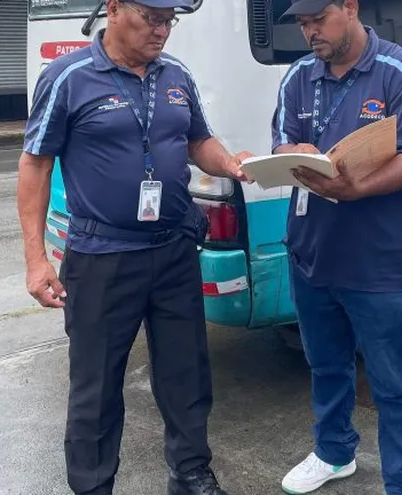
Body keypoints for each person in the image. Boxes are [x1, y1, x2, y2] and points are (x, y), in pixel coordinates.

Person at [15, 1, 253, 494]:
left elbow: (198, 140)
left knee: (186, 375)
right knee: (96, 387)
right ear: (116, 8)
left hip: (172, 251)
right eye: (153, 18)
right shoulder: (70, 77)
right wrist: (36, 259)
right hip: (102, 257)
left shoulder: (175, 74)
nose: (163, 30)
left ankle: (190, 474)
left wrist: (229, 162)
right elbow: (35, 165)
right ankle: (92, 485)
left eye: (171, 21)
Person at [269, 0, 402, 493]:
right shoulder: (297, 76)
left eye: (318, 19)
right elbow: (280, 143)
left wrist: (357, 188)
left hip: (377, 259)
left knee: (393, 382)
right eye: (302, 24)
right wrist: (291, 152)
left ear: (349, 7)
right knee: (325, 364)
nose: (309, 33)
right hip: (310, 250)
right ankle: (334, 452)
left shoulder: (399, 72)